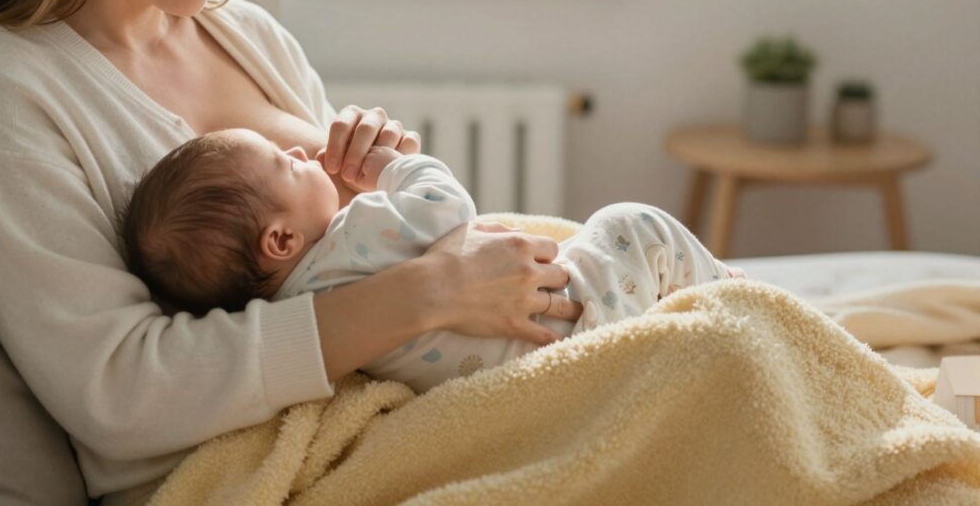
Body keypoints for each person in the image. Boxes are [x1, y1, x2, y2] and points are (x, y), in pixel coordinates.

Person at [0, 0, 711, 503]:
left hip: (393, 406)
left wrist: (370, 184)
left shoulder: (249, 37)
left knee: (707, 350)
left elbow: (328, 257)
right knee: (710, 375)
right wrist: (430, 291)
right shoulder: (6, 89)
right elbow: (119, 392)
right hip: (254, 470)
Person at [122, 129, 744, 393]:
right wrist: (394, 168)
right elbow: (449, 210)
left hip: (522, 363)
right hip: (571, 316)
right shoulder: (355, 232)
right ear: (281, 241)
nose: (297, 151)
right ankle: (728, 287)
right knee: (629, 224)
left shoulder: (301, 311)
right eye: (284, 164)